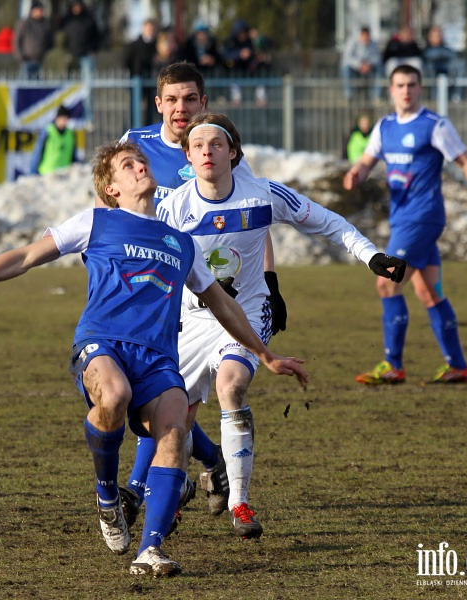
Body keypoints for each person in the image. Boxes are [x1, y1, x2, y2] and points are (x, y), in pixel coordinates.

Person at [0, 139, 308, 577]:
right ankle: (107, 494)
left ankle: (150, 549)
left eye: (142, 161)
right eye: (128, 165)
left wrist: (264, 354)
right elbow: (23, 257)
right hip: (103, 344)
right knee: (113, 396)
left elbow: (223, 305)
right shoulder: (96, 222)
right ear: (111, 187)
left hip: (157, 358)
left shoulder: (181, 242)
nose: (140, 168)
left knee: (174, 427)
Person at [155, 112, 405, 538]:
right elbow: (149, 260)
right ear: (188, 157)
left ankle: (240, 504)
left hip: (248, 313)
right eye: (198, 147)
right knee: (175, 417)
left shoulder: (263, 195)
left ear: (233, 153)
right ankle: (172, 496)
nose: (207, 152)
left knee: (230, 385)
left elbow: (328, 221)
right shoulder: (173, 208)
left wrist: (370, 256)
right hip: (192, 320)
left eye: (217, 144)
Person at [115, 62, 288, 533]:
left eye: (189, 99)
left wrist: (270, 282)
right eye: (172, 99)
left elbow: (252, 217)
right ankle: (210, 462)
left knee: (171, 395)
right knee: (160, 399)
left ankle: (140, 488)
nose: (180, 108)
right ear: (158, 104)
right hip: (156, 291)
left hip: (208, 293)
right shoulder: (136, 146)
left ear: (203, 103)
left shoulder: (218, 145)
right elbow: (117, 207)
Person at [344, 64, 467, 386]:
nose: (406, 90)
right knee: (429, 292)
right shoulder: (385, 127)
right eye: (400, 85)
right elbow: (366, 162)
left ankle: (393, 365)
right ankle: (458, 367)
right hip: (403, 220)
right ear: (391, 90)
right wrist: (356, 174)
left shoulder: (435, 125)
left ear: (421, 88)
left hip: (423, 218)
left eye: (412, 84)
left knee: (387, 282)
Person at [30, 105, 77, 175]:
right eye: (63, 118)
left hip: (64, 176)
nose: (65, 121)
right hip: (46, 175)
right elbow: (37, 154)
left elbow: (73, 156)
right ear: (57, 118)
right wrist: (33, 172)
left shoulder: (70, 134)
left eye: (66, 118)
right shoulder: (47, 132)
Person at [340, 26, 382, 100]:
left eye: (367, 35)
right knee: (345, 68)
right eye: (364, 35)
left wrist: (368, 65)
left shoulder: (373, 44)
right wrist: (359, 65)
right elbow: (347, 58)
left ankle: (376, 95)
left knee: (380, 68)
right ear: (360, 35)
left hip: (369, 68)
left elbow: (377, 58)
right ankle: (348, 94)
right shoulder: (352, 42)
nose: (365, 38)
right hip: (354, 68)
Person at [14, 1, 53, 79]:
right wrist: (20, 57)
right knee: (25, 86)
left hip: (41, 61)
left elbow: (50, 41)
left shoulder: (46, 25)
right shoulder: (24, 24)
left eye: (42, 10)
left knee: (39, 87)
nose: (41, 12)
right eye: (39, 10)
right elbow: (17, 41)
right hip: (26, 60)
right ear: (33, 11)